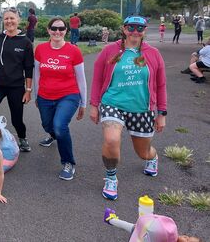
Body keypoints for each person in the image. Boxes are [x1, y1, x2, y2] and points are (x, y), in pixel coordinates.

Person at [89, 16, 167, 201]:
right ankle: (110, 177)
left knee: (143, 153)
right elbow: (98, 77)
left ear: (144, 31)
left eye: (140, 28)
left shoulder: (153, 53)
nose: (135, 31)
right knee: (111, 139)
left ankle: (152, 158)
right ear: (124, 29)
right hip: (112, 103)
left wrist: (161, 113)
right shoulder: (110, 50)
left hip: (142, 109)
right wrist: (94, 105)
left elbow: (161, 84)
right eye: (131, 27)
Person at [33, 17, 87, 180]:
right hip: (45, 95)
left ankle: (68, 163)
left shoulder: (74, 51)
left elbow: (81, 78)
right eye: (54, 29)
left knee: (59, 125)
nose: (57, 32)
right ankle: (53, 135)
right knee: (47, 124)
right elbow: (36, 74)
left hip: (68, 95)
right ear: (48, 30)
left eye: (61, 29)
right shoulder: (40, 49)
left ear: (66, 31)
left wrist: (83, 103)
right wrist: (36, 95)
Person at [0, 7, 34, 152]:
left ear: (18, 20)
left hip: (16, 87)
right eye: (6, 19)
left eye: (12, 18)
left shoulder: (26, 42)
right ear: (3, 21)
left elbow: (28, 69)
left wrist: (28, 90)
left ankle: (22, 138)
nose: (9, 21)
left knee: (17, 119)